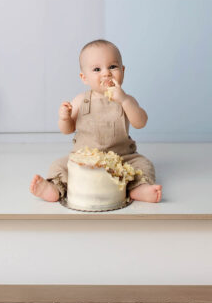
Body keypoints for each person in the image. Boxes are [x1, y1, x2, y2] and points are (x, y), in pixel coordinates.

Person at [30, 39, 163, 203]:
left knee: (144, 164)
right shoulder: (81, 100)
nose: (106, 73)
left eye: (113, 67)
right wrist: (64, 118)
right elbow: (67, 129)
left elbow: (140, 122)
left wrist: (125, 101)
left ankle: (138, 188)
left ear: (123, 71)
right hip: (84, 160)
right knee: (59, 165)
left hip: (121, 158)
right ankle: (55, 188)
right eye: (97, 69)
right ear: (84, 77)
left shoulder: (126, 100)